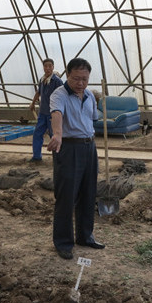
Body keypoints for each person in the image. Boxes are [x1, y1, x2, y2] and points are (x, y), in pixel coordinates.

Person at [47, 58, 104, 260]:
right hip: (68, 147)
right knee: (67, 196)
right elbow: (56, 113)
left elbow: (92, 119)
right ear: (68, 75)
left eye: (84, 79)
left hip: (89, 147)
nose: (80, 83)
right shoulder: (59, 94)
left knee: (88, 193)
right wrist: (57, 134)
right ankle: (63, 242)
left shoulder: (89, 96)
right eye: (76, 78)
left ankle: (85, 236)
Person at [29, 58, 63, 162]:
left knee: (54, 136)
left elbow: (63, 96)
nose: (47, 68)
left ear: (53, 67)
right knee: (37, 134)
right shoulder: (42, 80)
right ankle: (36, 156)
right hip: (42, 112)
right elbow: (38, 92)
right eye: (45, 66)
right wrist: (33, 103)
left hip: (53, 114)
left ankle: (58, 158)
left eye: (50, 66)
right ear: (43, 67)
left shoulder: (57, 81)